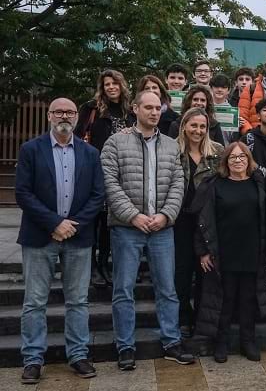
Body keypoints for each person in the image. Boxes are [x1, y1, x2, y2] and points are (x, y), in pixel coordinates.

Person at [101, 91, 195, 369]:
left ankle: (171, 341)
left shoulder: (170, 145)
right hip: (126, 229)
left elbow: (179, 184)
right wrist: (133, 216)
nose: (155, 112)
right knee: (124, 289)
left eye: (159, 108)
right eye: (149, 107)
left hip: (162, 229)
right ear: (135, 109)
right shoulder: (115, 143)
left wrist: (166, 215)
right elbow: (110, 184)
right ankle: (125, 347)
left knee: (167, 288)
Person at [15, 98, 105, 384]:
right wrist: (55, 223)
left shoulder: (90, 153)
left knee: (78, 301)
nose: (64, 116)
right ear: (49, 116)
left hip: (78, 237)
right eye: (59, 111)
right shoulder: (31, 149)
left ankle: (78, 354)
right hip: (40, 236)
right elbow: (23, 193)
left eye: (69, 112)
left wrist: (72, 225)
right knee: (34, 302)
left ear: (77, 117)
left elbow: (97, 195)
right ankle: (32, 359)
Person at [193, 142, 266, 363]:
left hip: (251, 250)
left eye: (242, 157)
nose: (238, 161)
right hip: (223, 251)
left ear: (249, 160)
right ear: (226, 161)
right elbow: (203, 221)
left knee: (247, 300)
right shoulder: (215, 185)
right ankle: (222, 342)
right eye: (233, 157)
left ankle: (248, 342)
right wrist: (203, 252)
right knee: (225, 301)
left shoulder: (258, 183)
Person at [76, 69, 135, 288]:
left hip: (123, 174)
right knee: (93, 221)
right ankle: (91, 268)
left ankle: (104, 264)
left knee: (111, 222)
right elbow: (77, 137)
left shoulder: (130, 110)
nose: (111, 87)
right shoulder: (91, 108)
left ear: (122, 85)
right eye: (107, 84)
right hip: (96, 172)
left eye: (115, 83)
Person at [173, 107, 224, 338]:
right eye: (193, 125)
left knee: (206, 272)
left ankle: (202, 320)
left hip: (207, 221)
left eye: (202, 126)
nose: (198, 130)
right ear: (184, 125)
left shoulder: (218, 152)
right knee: (181, 272)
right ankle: (183, 317)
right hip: (179, 220)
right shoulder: (171, 150)